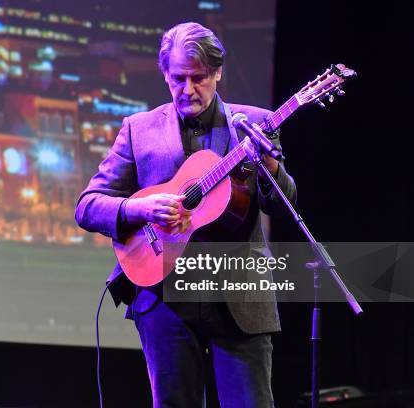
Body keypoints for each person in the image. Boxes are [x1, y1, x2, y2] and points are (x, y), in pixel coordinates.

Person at [75, 22, 296, 407]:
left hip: (238, 298)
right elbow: (88, 205)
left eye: (198, 78)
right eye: (178, 78)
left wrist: (271, 169)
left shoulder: (254, 123)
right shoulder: (138, 130)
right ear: (165, 73)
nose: (187, 89)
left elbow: (284, 203)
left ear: (217, 73)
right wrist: (137, 207)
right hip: (165, 298)